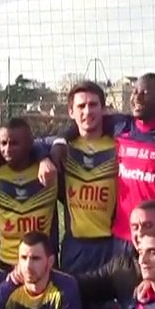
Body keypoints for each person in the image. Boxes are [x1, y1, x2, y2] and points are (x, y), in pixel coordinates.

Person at [51, 73, 155, 260]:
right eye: (134, 91)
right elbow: (83, 122)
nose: (137, 97)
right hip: (121, 238)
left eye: (146, 92)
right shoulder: (122, 125)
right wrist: (60, 140)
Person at [54, 82, 118, 273]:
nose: (87, 111)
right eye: (81, 106)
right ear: (71, 111)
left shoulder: (119, 146)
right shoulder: (62, 148)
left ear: (103, 109)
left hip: (112, 245)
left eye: (93, 105)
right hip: (76, 247)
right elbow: (23, 148)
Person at [0, 119, 59, 269]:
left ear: (29, 144)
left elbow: (60, 140)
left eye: (15, 143)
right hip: (5, 260)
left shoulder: (49, 171)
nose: (7, 149)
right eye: (3, 143)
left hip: (41, 260)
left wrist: (44, 157)